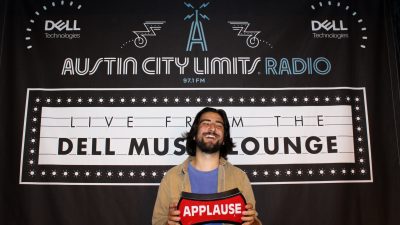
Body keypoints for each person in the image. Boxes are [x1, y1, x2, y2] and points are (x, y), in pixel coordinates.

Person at [152, 107, 262, 225]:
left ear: (224, 138)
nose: (212, 128)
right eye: (206, 123)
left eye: (219, 125)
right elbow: (157, 222)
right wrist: (169, 223)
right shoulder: (171, 178)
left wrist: (252, 222)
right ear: (194, 134)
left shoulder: (239, 177)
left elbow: (255, 221)